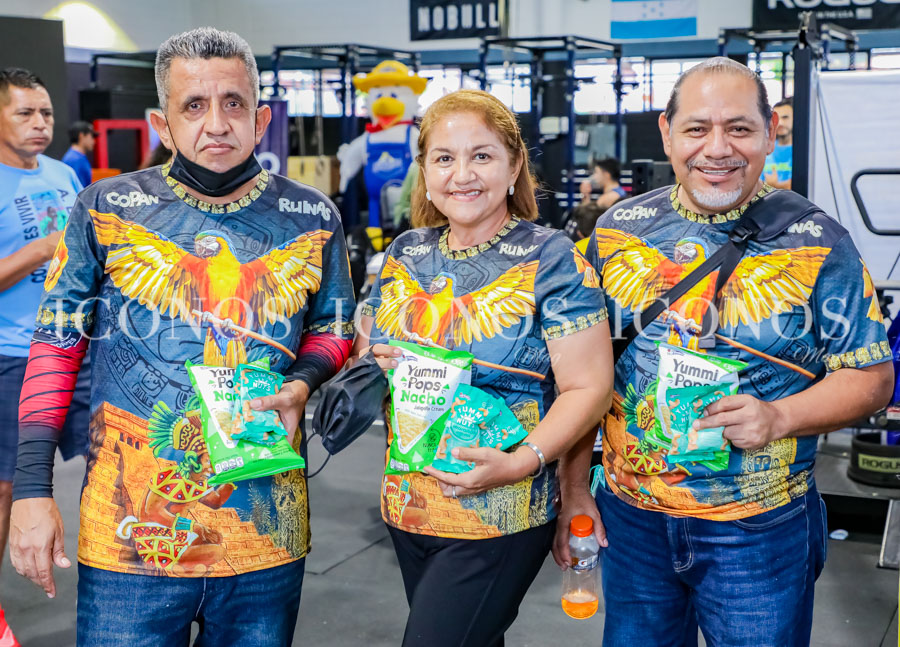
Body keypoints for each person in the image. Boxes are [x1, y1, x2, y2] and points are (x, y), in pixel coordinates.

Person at [9, 28, 355, 647]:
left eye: (233, 103)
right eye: (193, 105)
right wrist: (32, 489)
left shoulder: (312, 216)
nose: (216, 123)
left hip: (264, 533)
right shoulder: (106, 208)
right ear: (162, 125)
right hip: (130, 541)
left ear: (261, 118)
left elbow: (333, 330)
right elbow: (56, 347)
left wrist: (303, 382)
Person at [558, 57, 894, 647]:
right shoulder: (615, 233)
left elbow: (872, 377)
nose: (717, 148)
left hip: (759, 527)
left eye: (739, 128)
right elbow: (583, 376)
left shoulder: (819, 243)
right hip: (632, 522)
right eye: (697, 128)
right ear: (667, 133)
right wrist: (576, 488)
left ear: (770, 134)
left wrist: (779, 416)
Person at [352, 89, 614, 646]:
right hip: (408, 506)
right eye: (445, 158)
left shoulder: (551, 257)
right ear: (425, 170)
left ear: (514, 166)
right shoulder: (405, 252)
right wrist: (377, 359)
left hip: (502, 509)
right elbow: (368, 352)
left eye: (483, 156)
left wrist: (523, 462)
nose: (462, 174)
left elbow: (589, 387)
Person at [0, 67, 92, 645]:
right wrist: (40, 250)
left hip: (76, 348)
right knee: (8, 488)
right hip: (10, 355)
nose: (40, 123)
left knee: (114, 457)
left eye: (46, 113)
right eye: (24, 113)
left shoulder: (64, 174)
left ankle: (138, 575)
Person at [763, 96, 793, 190]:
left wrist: (775, 186)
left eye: (785, 117)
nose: (780, 123)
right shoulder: (764, 149)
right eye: (776, 119)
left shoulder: (805, 152)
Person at [61, 120, 96, 187]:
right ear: (81, 136)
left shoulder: (77, 157)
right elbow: (78, 190)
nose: (94, 141)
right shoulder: (75, 159)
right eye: (92, 136)